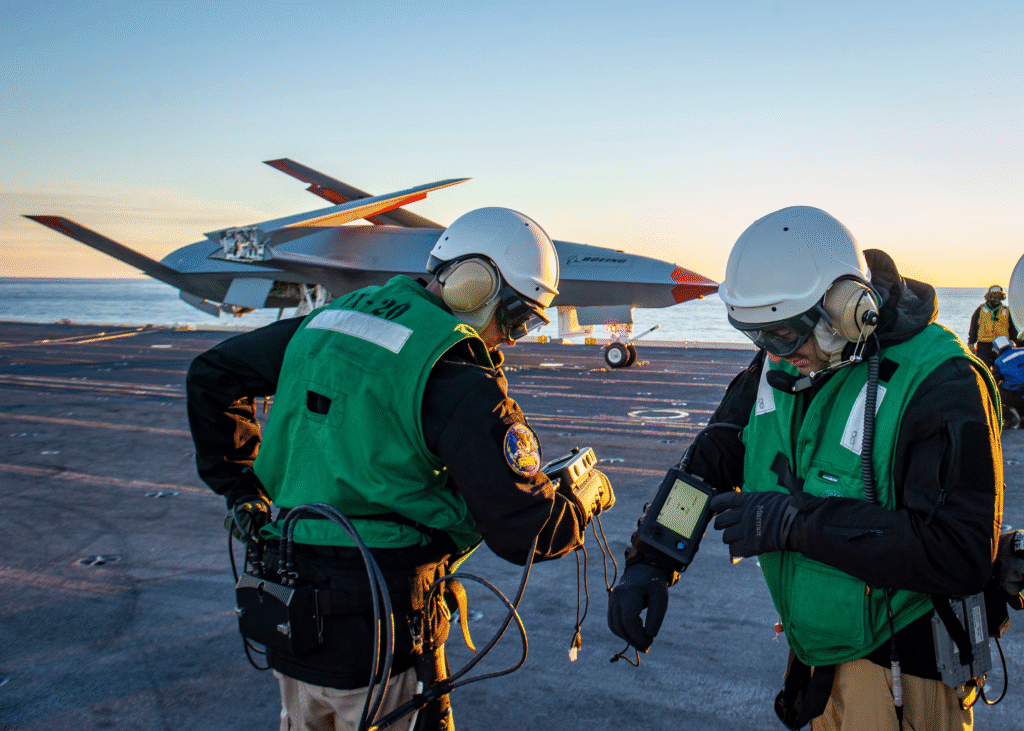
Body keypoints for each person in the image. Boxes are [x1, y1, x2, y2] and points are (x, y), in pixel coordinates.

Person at [186, 207, 614, 731]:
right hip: (379, 625)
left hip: (290, 604)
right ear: (475, 284)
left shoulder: (334, 319)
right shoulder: (457, 372)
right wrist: (581, 501)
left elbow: (213, 373)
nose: (512, 338)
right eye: (518, 318)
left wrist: (241, 490)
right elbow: (524, 529)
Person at [607, 206, 1010, 730]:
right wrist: (654, 558)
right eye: (760, 336)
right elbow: (713, 457)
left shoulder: (942, 381)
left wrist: (794, 523)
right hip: (820, 664)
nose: (773, 352)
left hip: (907, 676)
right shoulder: (786, 357)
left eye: (783, 335)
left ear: (846, 310)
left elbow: (960, 552)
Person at [968, 285, 1018, 368]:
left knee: (1001, 369)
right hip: (984, 346)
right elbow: (973, 327)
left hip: (1002, 346)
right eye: (994, 296)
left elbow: (1012, 330)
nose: (996, 298)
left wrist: (1017, 343)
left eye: (999, 296)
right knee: (983, 368)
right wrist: (971, 342)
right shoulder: (980, 310)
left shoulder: (1006, 311)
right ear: (988, 297)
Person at [992, 335, 1024, 429]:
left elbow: (993, 381)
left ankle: (1010, 417)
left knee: (992, 392)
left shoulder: (999, 361)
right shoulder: (1022, 350)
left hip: (1016, 396)